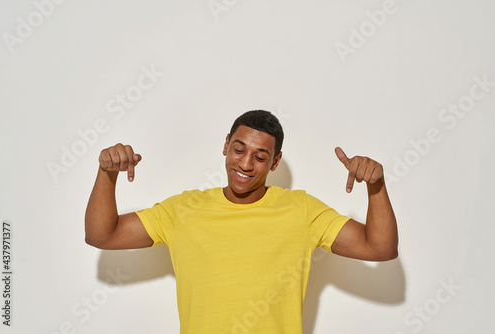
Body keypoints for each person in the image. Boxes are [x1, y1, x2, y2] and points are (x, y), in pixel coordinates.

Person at [85, 110, 398, 334]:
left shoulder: (301, 210)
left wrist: (377, 186)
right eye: (239, 149)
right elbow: (103, 236)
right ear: (225, 145)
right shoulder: (183, 210)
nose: (245, 164)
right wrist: (106, 174)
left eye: (260, 157)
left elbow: (380, 248)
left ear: (275, 162)